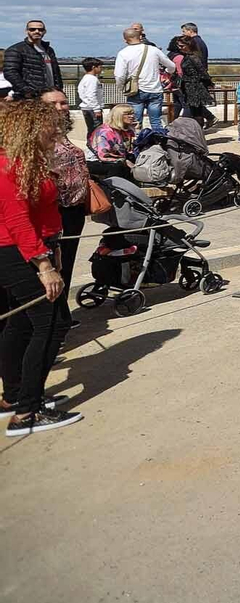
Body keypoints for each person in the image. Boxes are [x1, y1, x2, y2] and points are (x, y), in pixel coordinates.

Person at [0, 100, 80, 435]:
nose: (58, 130)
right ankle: (27, 412)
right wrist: (44, 265)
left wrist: (52, 249)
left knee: (21, 323)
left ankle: (16, 396)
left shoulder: (27, 162)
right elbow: (17, 219)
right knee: (52, 324)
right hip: (19, 253)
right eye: (51, 124)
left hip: (34, 248)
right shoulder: (10, 165)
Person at [38, 90, 88, 333]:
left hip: (74, 209)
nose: (60, 107)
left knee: (66, 265)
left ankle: (62, 318)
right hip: (56, 212)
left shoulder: (60, 134)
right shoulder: (39, 136)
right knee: (55, 267)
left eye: (64, 102)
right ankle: (52, 325)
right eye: (53, 103)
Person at [114, 25, 175, 131]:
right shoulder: (153, 50)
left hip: (136, 90)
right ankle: (160, 142)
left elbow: (119, 75)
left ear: (125, 40)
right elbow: (172, 66)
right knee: (156, 121)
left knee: (135, 121)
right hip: (155, 89)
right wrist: (167, 72)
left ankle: (137, 143)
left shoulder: (123, 53)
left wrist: (121, 87)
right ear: (140, 37)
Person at [3, 20, 63, 101]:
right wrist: (27, 91)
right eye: (32, 29)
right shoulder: (16, 49)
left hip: (50, 95)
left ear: (44, 31)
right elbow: (10, 72)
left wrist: (59, 89)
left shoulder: (48, 50)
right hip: (30, 98)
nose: (37, 31)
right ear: (26, 31)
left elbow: (56, 72)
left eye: (40, 29)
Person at [77, 58, 104, 137]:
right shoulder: (92, 79)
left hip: (87, 107)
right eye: (99, 67)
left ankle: (91, 145)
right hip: (92, 109)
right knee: (97, 130)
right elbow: (91, 94)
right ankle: (95, 146)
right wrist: (96, 109)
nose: (101, 69)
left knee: (91, 129)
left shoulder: (85, 78)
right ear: (93, 67)